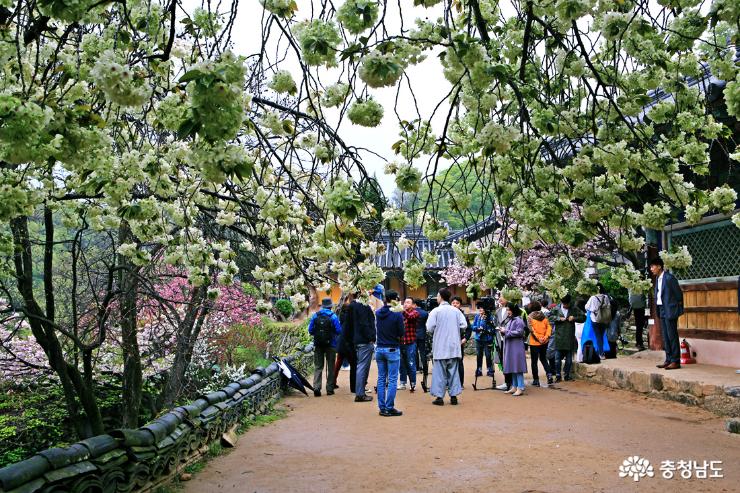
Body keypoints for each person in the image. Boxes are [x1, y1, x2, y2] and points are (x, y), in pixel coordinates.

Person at [427, 288, 467, 405]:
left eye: (438, 296)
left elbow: (429, 328)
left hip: (440, 346)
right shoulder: (456, 311)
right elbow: (463, 325)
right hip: (453, 346)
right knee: (453, 371)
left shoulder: (435, 311)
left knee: (440, 373)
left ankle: (439, 397)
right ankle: (453, 396)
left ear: (440, 296)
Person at [374, 289, 405, 416]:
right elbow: (401, 332)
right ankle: (389, 407)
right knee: (392, 379)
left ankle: (382, 407)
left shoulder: (378, 313)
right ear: (396, 300)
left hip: (380, 348)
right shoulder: (397, 315)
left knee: (381, 378)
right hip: (392, 348)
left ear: (385, 299)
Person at [650, 258, 684, 370]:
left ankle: (675, 361)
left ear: (659, 266)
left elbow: (678, 295)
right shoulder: (657, 279)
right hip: (661, 309)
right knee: (665, 336)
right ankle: (668, 359)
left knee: (672, 335)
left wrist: (676, 308)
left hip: (670, 309)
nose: (651, 269)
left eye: (653, 266)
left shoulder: (669, 278)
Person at [307, 298, 342, 397]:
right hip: (331, 344)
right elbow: (339, 330)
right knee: (331, 367)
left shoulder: (315, 316)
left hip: (318, 344)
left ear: (322, 306)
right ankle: (330, 389)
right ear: (330, 306)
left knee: (318, 366)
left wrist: (318, 335)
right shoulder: (333, 316)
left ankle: (317, 387)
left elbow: (310, 330)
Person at [548, 294, 585, 381]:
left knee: (569, 359)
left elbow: (583, 317)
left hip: (569, 336)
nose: (566, 306)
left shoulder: (574, 308)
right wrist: (558, 318)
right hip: (559, 336)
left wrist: (574, 318)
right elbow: (549, 317)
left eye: (567, 304)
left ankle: (567, 375)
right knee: (557, 358)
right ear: (561, 302)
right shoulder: (556, 308)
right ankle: (558, 375)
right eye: (564, 304)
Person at [352, 292, 376, 403]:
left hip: (356, 339)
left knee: (361, 366)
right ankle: (360, 394)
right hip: (364, 340)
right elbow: (364, 324)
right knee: (362, 367)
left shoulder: (353, 306)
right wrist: (371, 337)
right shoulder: (363, 306)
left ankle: (360, 392)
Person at [500, 303, 528, 396]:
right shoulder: (511, 320)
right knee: (512, 366)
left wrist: (506, 331)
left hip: (516, 346)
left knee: (518, 367)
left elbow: (519, 332)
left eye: (509, 310)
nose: (508, 312)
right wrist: (503, 331)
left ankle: (520, 387)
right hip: (511, 346)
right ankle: (514, 386)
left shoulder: (518, 320)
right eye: (507, 310)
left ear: (513, 310)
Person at [526, 301, 552, 387]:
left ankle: (536, 380)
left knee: (534, 361)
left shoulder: (529, 317)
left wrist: (538, 338)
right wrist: (546, 337)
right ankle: (549, 375)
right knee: (544, 359)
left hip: (534, 342)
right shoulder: (544, 316)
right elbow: (549, 327)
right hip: (544, 341)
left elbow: (531, 330)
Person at [334, 295, 357, 393]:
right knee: (353, 364)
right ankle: (354, 386)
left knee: (338, 363)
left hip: (340, 342)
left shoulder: (341, 317)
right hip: (349, 343)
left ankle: (332, 382)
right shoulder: (351, 319)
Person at [398, 297, 419, 391]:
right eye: (405, 302)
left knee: (411, 363)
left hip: (410, 342)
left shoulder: (415, 313)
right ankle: (403, 383)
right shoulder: (400, 314)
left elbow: (410, 317)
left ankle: (413, 383)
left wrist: (402, 310)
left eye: (408, 302)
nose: (405, 304)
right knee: (401, 364)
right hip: (401, 342)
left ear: (413, 305)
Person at [585, 283, 611, 358]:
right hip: (604, 319)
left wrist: (593, 309)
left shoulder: (592, 298)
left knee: (598, 336)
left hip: (595, 319)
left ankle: (601, 353)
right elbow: (608, 306)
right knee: (601, 336)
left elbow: (586, 307)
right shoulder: (605, 297)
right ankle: (600, 351)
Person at [451, 296, 472, 386]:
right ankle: (450, 383)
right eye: (453, 303)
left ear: (460, 305)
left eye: (457, 303)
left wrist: (465, 339)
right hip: (449, 342)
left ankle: (460, 383)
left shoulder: (463, 316)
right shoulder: (447, 314)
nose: (455, 305)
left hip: (459, 341)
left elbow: (469, 329)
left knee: (459, 362)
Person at [494, 295, 513, 391]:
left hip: (509, 338)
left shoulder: (513, 310)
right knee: (502, 360)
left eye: (503, 297)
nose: (500, 299)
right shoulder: (497, 311)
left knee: (509, 360)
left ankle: (513, 382)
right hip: (499, 338)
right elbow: (496, 323)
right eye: (499, 297)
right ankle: (506, 382)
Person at [471, 306, 494, 377]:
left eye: (482, 308)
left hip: (487, 339)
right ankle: (479, 369)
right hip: (479, 339)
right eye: (479, 308)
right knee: (479, 355)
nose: (480, 309)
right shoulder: (477, 316)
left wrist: (485, 323)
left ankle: (489, 369)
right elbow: (472, 326)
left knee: (488, 355)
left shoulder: (489, 316)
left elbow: (492, 326)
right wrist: (477, 328)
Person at [413, 299, 429, 378]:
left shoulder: (411, 312)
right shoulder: (425, 313)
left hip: (413, 334)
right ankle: (425, 369)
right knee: (422, 352)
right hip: (422, 333)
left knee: (415, 351)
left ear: (415, 304)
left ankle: (416, 368)